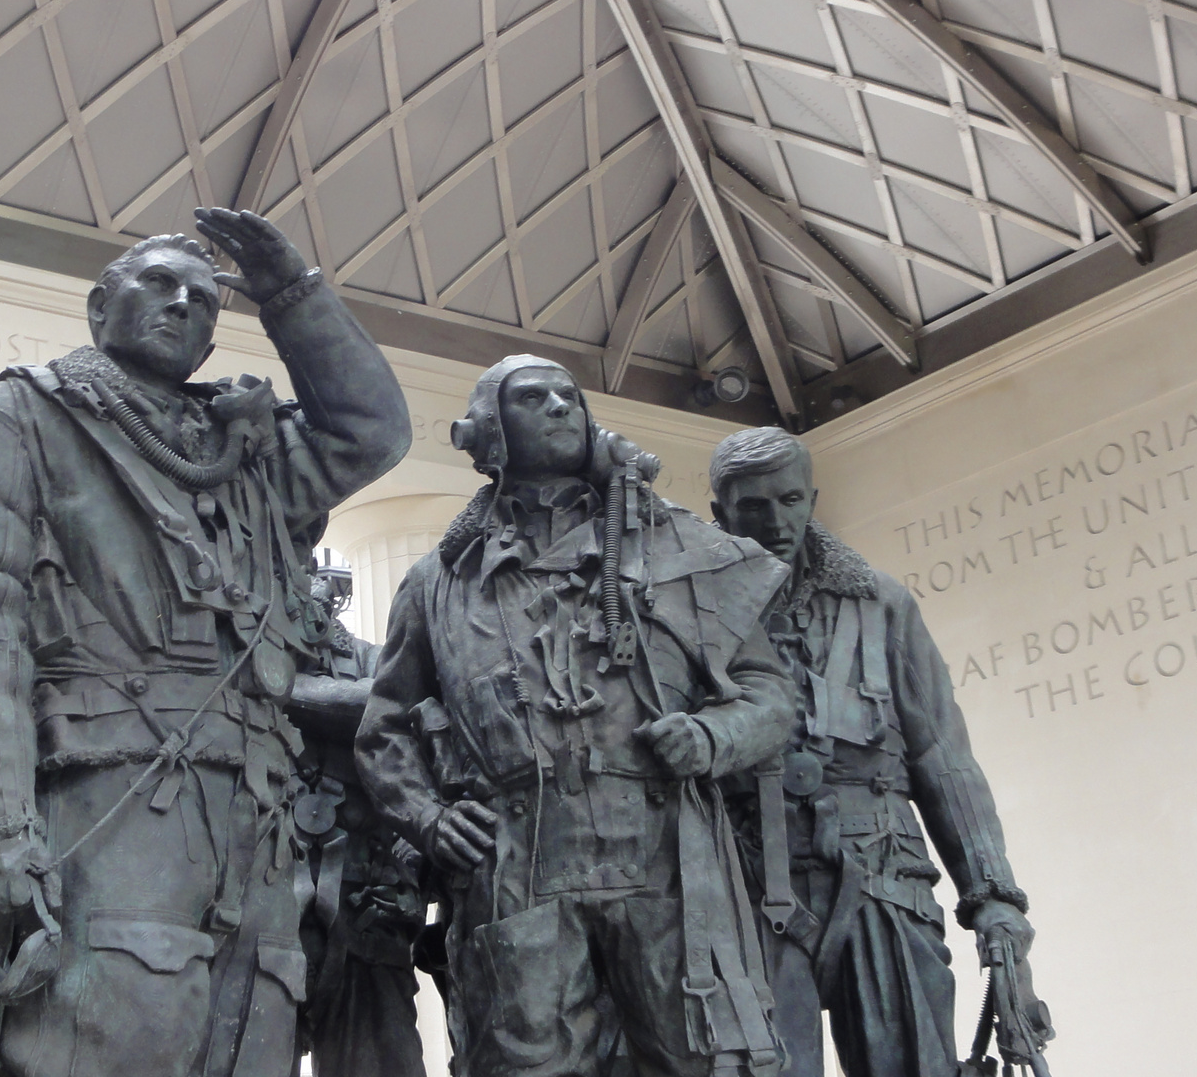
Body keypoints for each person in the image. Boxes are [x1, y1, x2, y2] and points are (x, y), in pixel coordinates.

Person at [0, 208, 410, 1077]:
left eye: (204, 302)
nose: (183, 305)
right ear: (100, 305)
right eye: (158, 284)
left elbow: (370, 434)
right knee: (99, 1044)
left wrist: (294, 297)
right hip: (105, 796)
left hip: (255, 819)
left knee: (247, 1047)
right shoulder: (15, 416)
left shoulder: (241, 453)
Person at [355, 354, 795, 1077]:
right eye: (534, 397)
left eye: (569, 395)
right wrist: (429, 818)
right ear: (490, 429)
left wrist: (713, 734)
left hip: (664, 858)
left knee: (709, 1060)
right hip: (517, 865)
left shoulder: (676, 549)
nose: (560, 405)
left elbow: (769, 693)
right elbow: (387, 727)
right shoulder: (437, 582)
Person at [707, 426, 1044, 1077]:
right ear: (720, 513)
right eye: (753, 506)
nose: (775, 520)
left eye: (790, 499)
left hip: (882, 879)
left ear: (812, 499)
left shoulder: (881, 604)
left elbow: (942, 754)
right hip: (750, 889)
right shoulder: (690, 617)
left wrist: (993, 894)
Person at [284, 565, 429, 1077]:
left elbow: (394, 703)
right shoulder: (240, 646)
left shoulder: (369, 657)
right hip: (264, 900)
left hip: (367, 902)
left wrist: (284, 689)